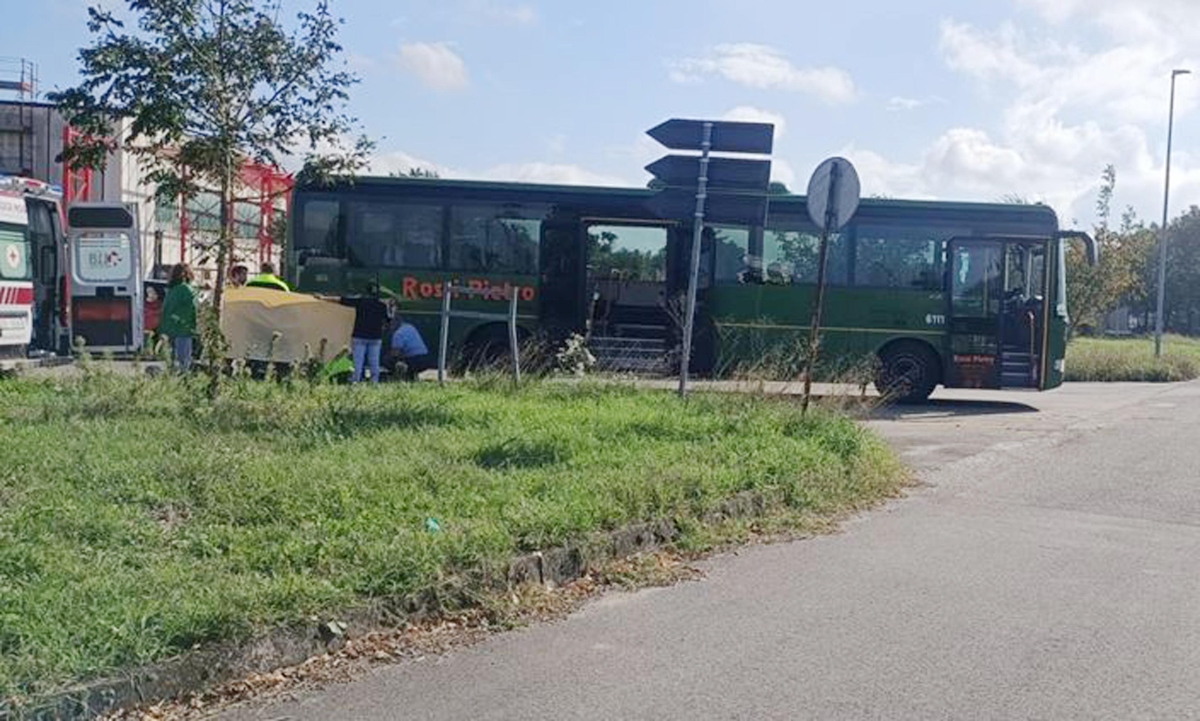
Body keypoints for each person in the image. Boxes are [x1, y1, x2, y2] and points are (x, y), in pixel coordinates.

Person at [340, 281, 390, 383]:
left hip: (359, 336)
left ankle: (356, 380)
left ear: (366, 291)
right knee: (374, 362)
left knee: (358, 363)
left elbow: (342, 300)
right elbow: (388, 319)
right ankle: (374, 382)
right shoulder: (382, 305)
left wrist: (323, 298)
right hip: (375, 337)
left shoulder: (360, 301)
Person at [158, 263, 197, 372]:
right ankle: (184, 379)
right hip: (183, 328)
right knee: (184, 360)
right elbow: (195, 306)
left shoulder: (171, 290)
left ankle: (173, 379)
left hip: (169, 328)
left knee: (172, 358)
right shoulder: (186, 289)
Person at [390, 312, 433, 381]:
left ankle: (400, 377)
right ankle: (411, 375)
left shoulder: (398, 333)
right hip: (426, 358)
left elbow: (395, 354)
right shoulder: (409, 326)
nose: (389, 326)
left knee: (388, 360)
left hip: (416, 361)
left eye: (391, 323)